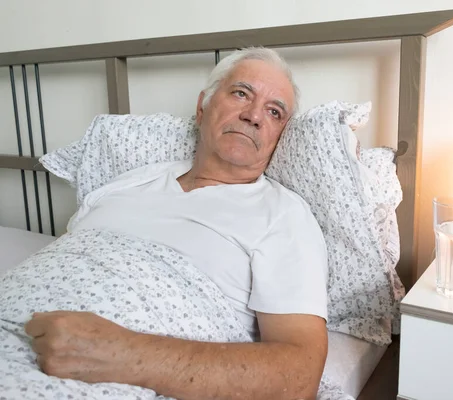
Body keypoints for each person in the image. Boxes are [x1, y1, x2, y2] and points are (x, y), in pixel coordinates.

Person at [24, 48, 329, 400]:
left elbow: (300, 375)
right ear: (203, 106)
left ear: (279, 136)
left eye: (274, 112)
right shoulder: (129, 181)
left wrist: (124, 354)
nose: (254, 116)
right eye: (241, 93)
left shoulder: (283, 214)